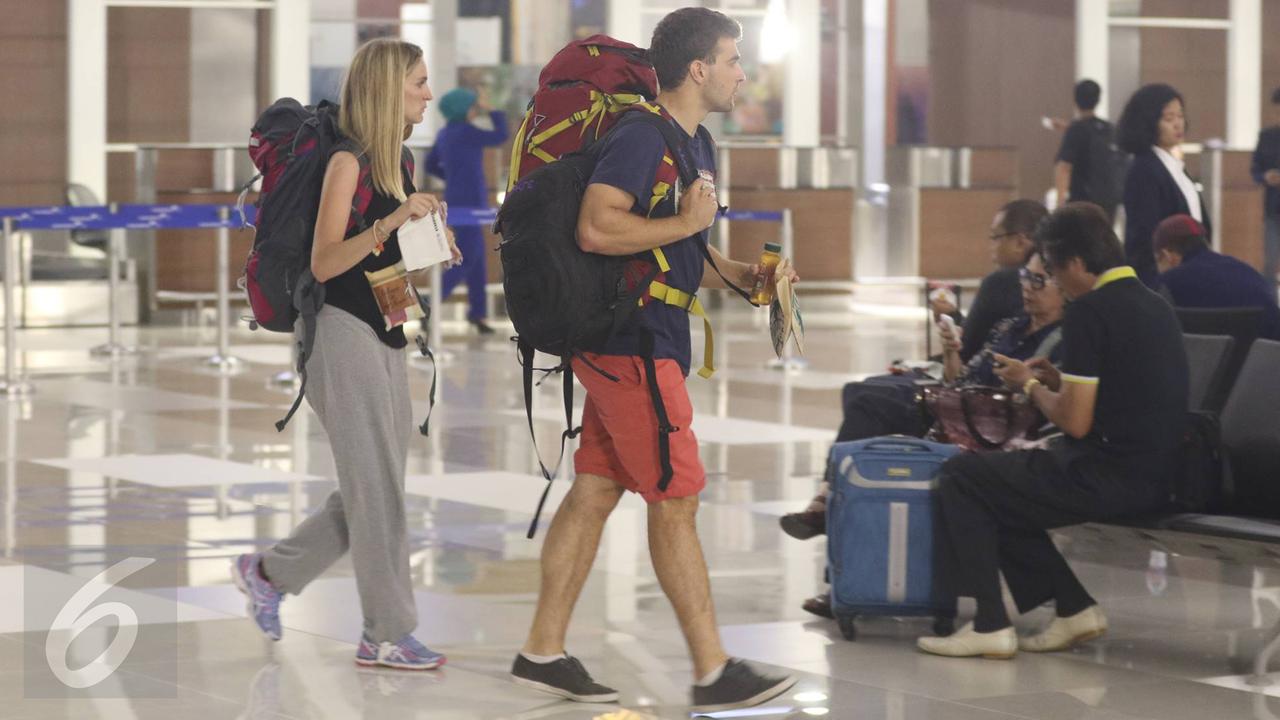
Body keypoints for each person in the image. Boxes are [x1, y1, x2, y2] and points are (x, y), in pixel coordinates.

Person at [509, 8, 797, 712]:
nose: (741, 74)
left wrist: (739, 273)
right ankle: (711, 669)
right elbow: (598, 225)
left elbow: (676, 250)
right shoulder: (642, 135)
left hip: (648, 333)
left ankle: (541, 650)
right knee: (677, 498)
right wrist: (689, 225)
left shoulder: (694, 142)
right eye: (733, 60)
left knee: (600, 488)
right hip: (630, 343)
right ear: (698, 68)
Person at [231, 39, 460, 671]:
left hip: (383, 329)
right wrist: (391, 225)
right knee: (377, 487)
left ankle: (269, 574)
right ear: (390, 89)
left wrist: (424, 241)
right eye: (418, 81)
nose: (427, 93)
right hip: (336, 330)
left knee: (375, 484)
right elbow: (327, 260)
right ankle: (385, 633)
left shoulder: (398, 161)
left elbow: (380, 259)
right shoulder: (347, 162)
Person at [917, 203, 1187, 660]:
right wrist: (1061, 381)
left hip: (1110, 475)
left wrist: (1033, 385)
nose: (1058, 285)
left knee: (964, 478)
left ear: (1077, 263)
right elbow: (1131, 390)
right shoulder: (1154, 304)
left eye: (1057, 274)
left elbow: (1074, 421)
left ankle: (989, 625)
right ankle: (1073, 608)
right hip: (1162, 473)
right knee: (1001, 487)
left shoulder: (1090, 311)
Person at [782, 252, 1067, 620]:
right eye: (1026, 278)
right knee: (866, 429)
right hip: (959, 415)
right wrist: (951, 351)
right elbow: (958, 381)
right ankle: (844, 578)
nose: (1027, 287)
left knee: (870, 406)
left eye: (1039, 281)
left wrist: (1024, 381)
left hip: (996, 434)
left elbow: (1041, 405)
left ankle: (826, 511)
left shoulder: (1061, 341)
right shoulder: (1011, 327)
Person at [426, 86, 508, 334]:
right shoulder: (468, 132)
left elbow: (430, 164)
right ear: (464, 110)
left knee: (477, 258)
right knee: (467, 257)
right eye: (473, 107)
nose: (476, 110)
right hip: (471, 202)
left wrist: (450, 177)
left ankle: (478, 314)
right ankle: (429, 306)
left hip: (455, 200)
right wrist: (492, 110)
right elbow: (500, 136)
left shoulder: (445, 133)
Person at [1117, 83, 1212, 289]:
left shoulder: (1174, 165)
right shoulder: (1144, 169)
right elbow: (1145, 235)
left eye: (1180, 116)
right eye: (1169, 118)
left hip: (1190, 272)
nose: (1178, 124)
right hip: (1164, 280)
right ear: (1148, 122)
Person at [930, 200, 1048, 363]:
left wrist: (950, 318)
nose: (991, 246)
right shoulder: (1059, 280)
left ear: (1020, 242)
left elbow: (967, 348)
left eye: (995, 237)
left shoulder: (1001, 282)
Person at [1154, 214, 1280, 340]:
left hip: (1205, 358)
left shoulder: (1169, 283)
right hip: (1265, 356)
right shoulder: (1250, 272)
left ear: (1167, 255)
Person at [1054, 79, 1118, 218]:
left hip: (1083, 201)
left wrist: (1060, 203)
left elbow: (1064, 167)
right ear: (1098, 100)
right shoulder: (1109, 128)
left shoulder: (1076, 129)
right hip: (1109, 200)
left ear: (1075, 100)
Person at [1251, 86, 1280, 291]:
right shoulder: (1267, 136)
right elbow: (1255, 170)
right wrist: (1265, 177)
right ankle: (1271, 306)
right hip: (1273, 209)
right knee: (1270, 262)